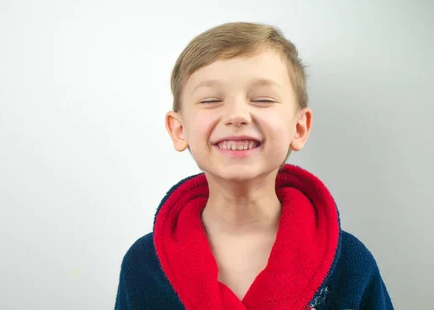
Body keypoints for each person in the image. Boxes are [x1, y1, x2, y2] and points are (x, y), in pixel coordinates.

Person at [114, 22, 393, 309]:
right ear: (179, 129)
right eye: (211, 100)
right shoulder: (143, 264)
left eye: (262, 99)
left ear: (299, 128)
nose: (236, 115)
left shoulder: (350, 262)